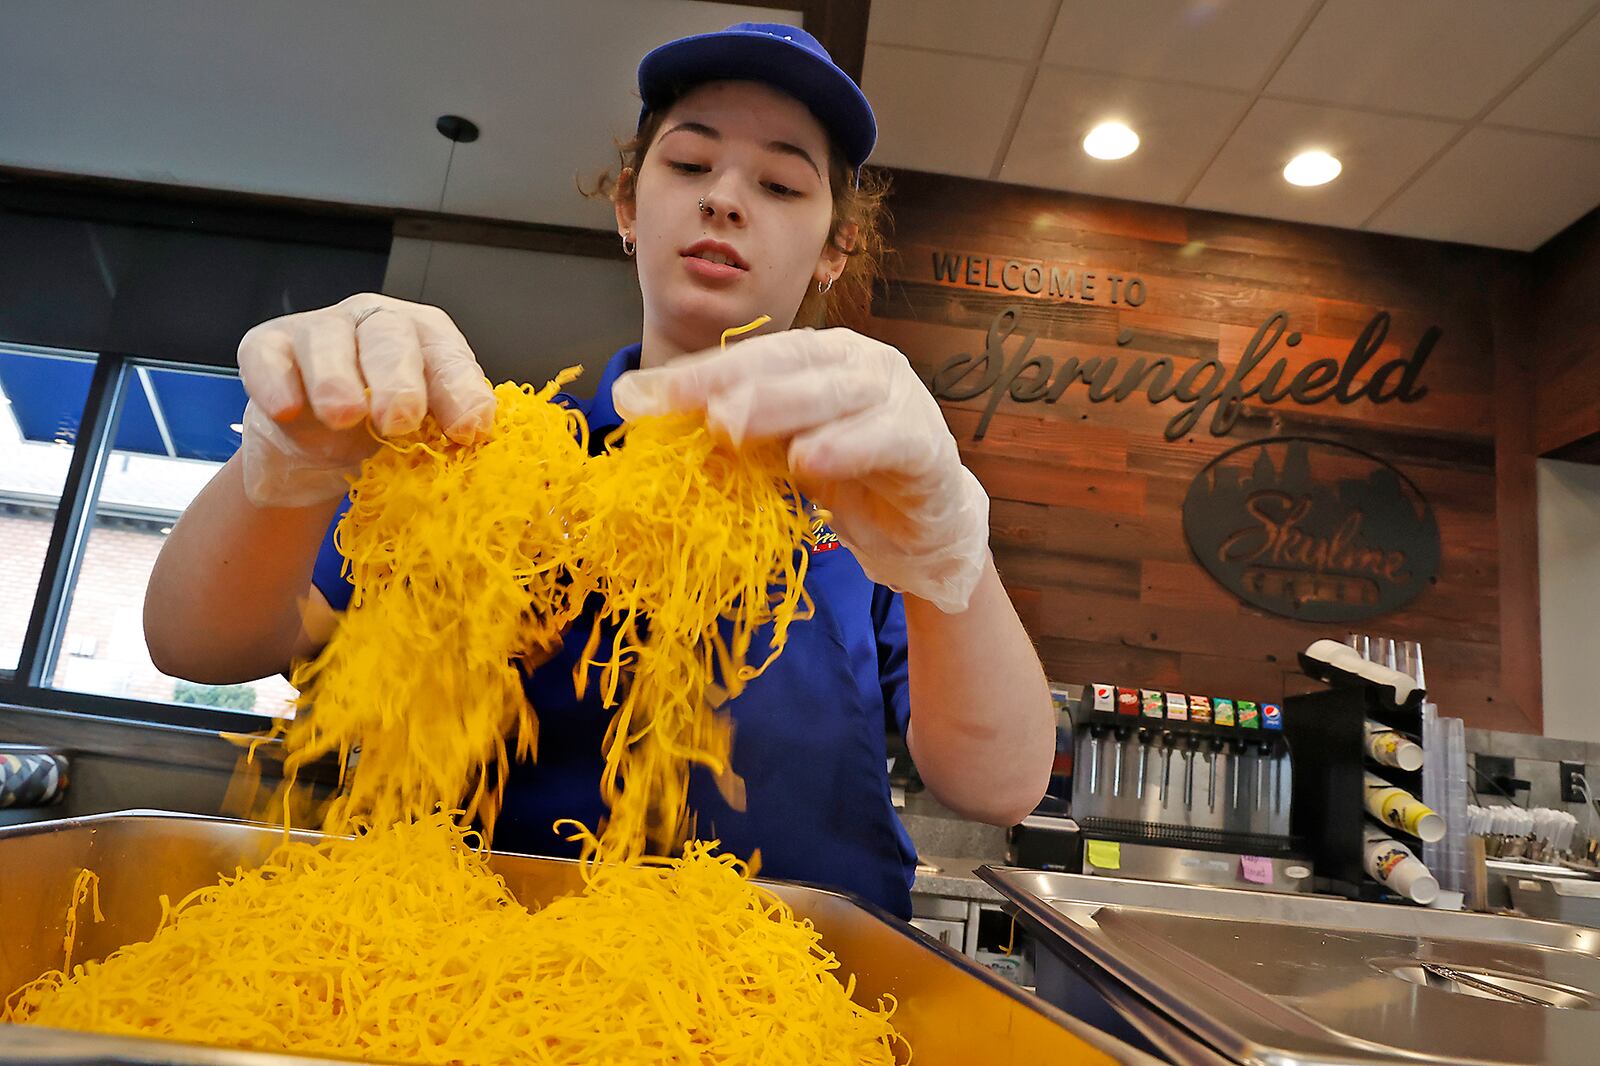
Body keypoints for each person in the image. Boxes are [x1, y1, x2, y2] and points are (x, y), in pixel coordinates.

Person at [145, 22, 1054, 919]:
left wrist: (944, 546)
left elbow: (997, 786)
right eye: (689, 164)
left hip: (795, 989)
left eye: (781, 183)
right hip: (461, 970)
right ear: (629, 206)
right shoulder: (480, 450)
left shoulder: (871, 482)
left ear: (833, 251)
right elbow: (200, 646)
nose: (725, 199)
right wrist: (287, 457)